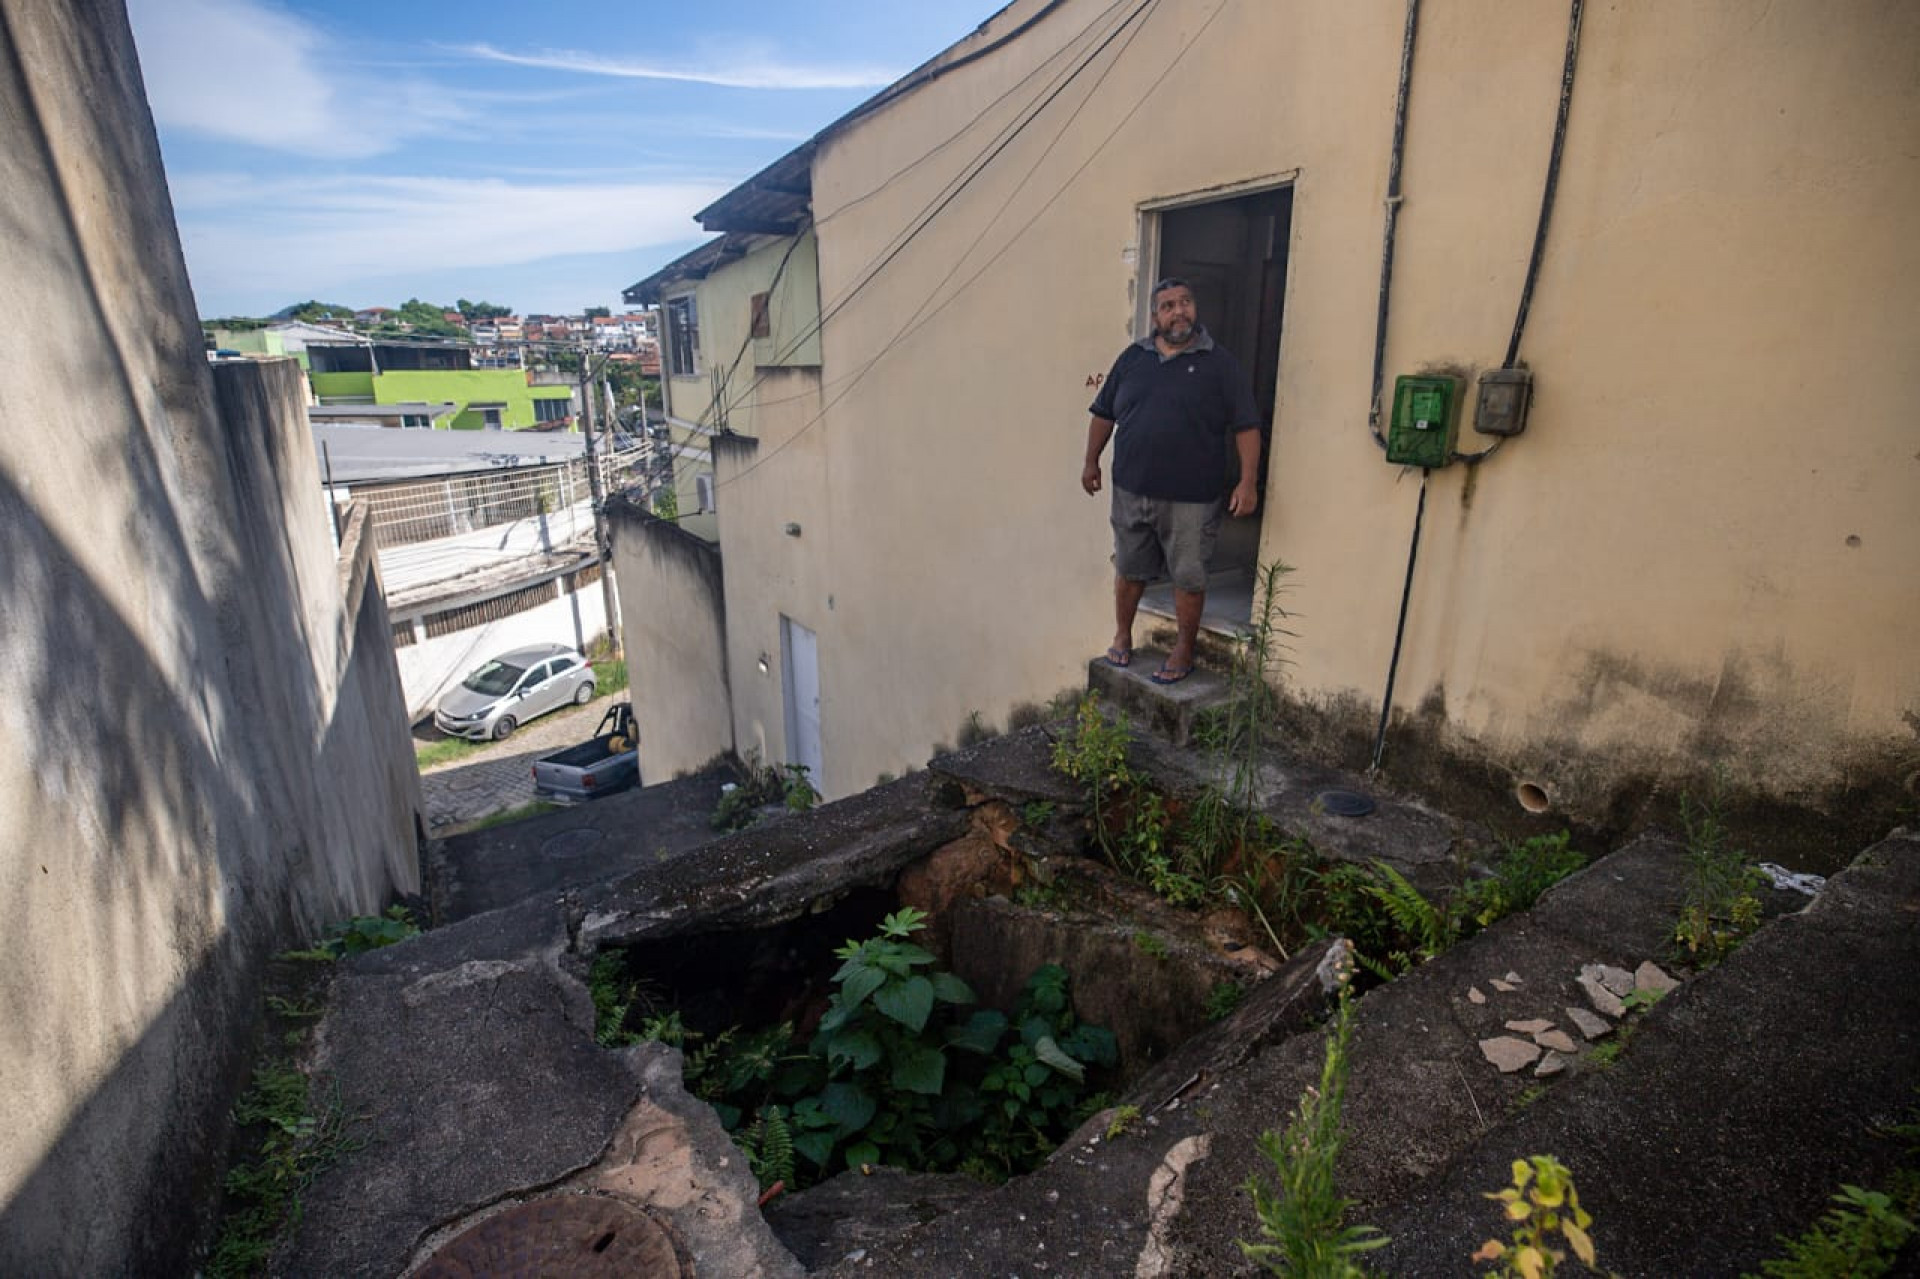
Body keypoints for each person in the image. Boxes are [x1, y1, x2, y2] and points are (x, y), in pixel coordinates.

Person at [1081, 278, 1263, 684]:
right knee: (1129, 568)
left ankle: (1183, 649)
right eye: (1168, 306)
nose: (1178, 311)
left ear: (1194, 309)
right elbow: (1104, 412)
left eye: (1185, 303)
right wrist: (1090, 461)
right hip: (1131, 488)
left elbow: (1247, 426)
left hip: (1192, 498)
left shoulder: (1220, 364)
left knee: (1188, 574)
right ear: (1155, 317)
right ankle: (1123, 635)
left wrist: (1247, 481)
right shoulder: (1132, 358)